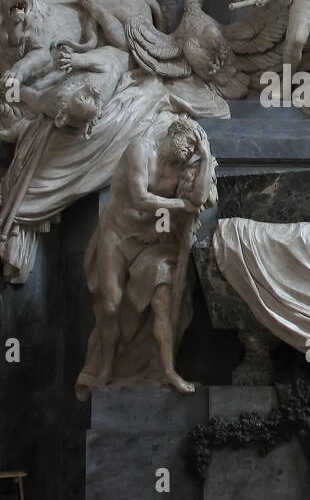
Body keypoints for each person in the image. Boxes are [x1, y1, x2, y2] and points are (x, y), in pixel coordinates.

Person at [75, 116, 215, 397]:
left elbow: (199, 200)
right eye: (188, 142)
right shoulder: (141, 149)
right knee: (110, 306)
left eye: (193, 147)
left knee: (163, 299)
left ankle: (165, 370)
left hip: (150, 242)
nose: (189, 151)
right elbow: (139, 198)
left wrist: (206, 154)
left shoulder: (183, 168)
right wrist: (180, 205)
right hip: (116, 235)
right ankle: (104, 368)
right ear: (175, 133)